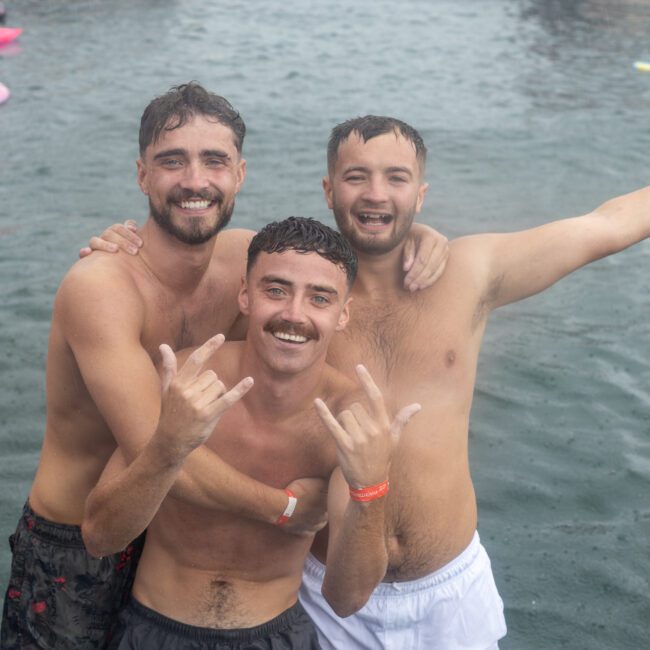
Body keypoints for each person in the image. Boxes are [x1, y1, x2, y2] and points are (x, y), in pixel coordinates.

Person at [91, 114, 650, 649]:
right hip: (322, 591)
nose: (376, 195)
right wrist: (126, 246)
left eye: (396, 179)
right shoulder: (299, 289)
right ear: (329, 190)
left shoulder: (471, 271)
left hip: (448, 588)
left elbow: (605, 225)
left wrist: (428, 237)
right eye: (357, 177)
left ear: (421, 194)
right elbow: (186, 255)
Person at [1, 83, 445, 649]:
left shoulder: (244, 257)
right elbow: (158, 449)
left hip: (167, 536)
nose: (194, 181)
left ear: (239, 174)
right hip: (82, 537)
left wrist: (417, 237)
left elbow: (323, 260)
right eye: (171, 161)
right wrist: (287, 507)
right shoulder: (102, 287)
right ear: (142, 177)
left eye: (213, 161)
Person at [82, 216, 421, 649]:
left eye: (319, 298)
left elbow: (347, 598)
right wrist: (167, 448)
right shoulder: (188, 380)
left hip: (276, 633)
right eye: (275, 290)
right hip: (153, 628)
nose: (294, 314)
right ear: (245, 295)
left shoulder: (349, 417)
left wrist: (369, 488)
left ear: (343, 314)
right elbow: (99, 538)